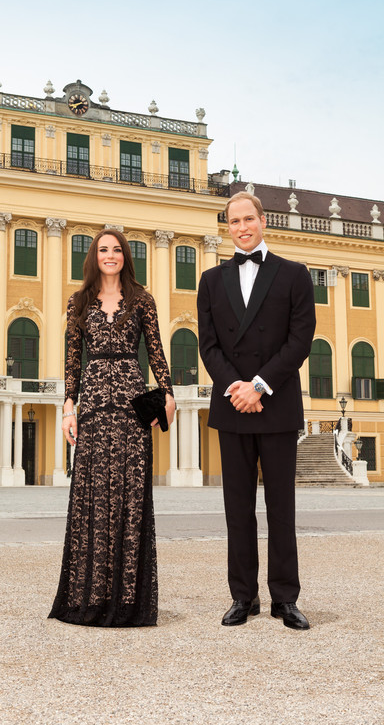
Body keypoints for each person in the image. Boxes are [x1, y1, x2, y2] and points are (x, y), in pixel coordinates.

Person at [197, 191, 316, 630]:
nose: (242, 228)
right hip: (233, 405)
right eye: (234, 221)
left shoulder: (294, 274)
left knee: (281, 507)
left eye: (248, 219)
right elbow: (208, 344)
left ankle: (285, 598)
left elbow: (300, 340)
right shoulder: (211, 280)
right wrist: (236, 387)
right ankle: (242, 596)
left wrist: (260, 385)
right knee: (237, 507)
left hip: (276, 402)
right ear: (227, 227)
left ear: (263, 221)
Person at [49, 229, 175, 627]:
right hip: (92, 403)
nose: (110, 255)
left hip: (131, 400)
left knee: (130, 495)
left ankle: (128, 601)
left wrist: (168, 394)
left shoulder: (142, 300)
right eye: (103, 249)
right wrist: (68, 406)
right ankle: (88, 596)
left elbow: (155, 350)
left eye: (117, 249)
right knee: (92, 496)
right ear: (93, 256)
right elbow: (73, 359)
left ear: (125, 256)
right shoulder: (78, 302)